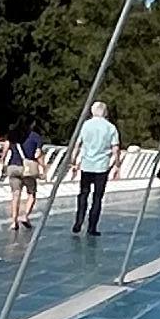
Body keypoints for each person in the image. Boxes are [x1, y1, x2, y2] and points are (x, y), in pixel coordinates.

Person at [72, 93, 121, 237]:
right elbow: (115, 148)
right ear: (105, 112)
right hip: (102, 167)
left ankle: (78, 221)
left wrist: (74, 161)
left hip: (86, 165)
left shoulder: (85, 125)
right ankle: (92, 227)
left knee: (83, 194)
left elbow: (78, 144)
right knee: (97, 197)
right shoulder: (111, 128)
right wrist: (117, 165)